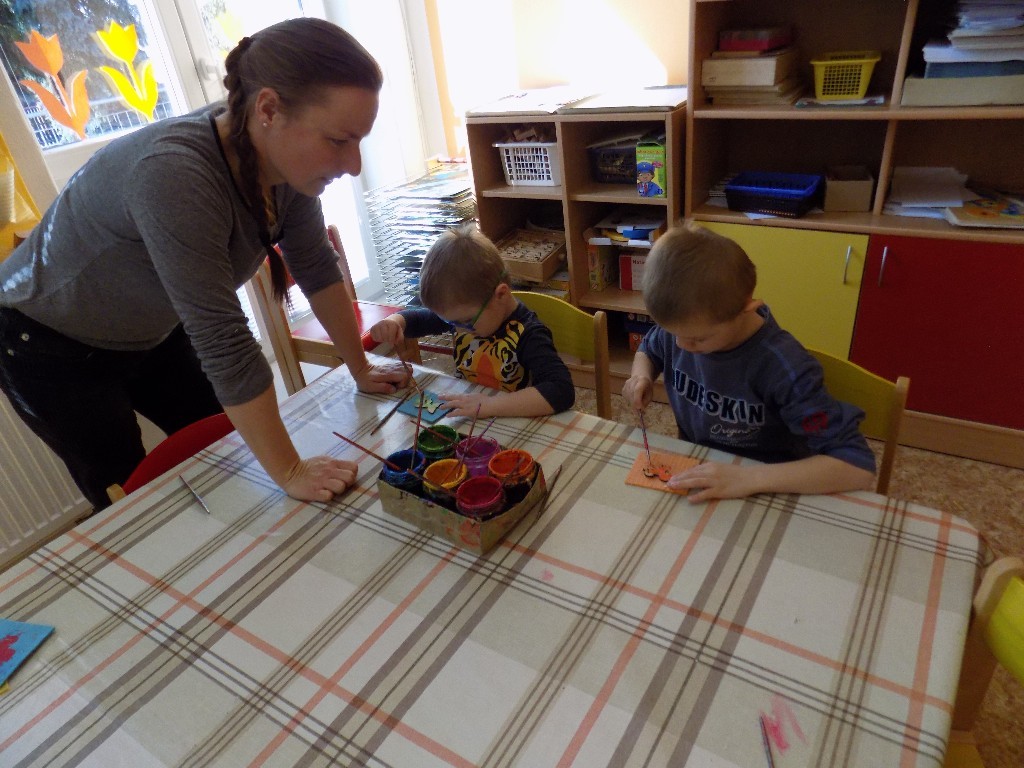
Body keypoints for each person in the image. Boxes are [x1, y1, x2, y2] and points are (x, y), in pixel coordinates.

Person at [0, 18, 407, 511]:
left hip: (150, 326)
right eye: (339, 140)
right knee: (132, 500)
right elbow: (224, 339)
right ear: (268, 109)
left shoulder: (282, 165)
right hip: (46, 341)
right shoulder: (174, 175)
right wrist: (291, 470)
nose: (353, 165)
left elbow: (317, 268)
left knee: (226, 452)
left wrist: (359, 366)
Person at [622, 224, 876, 502]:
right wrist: (641, 376)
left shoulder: (785, 368)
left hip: (766, 484)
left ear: (747, 309)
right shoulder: (684, 329)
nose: (681, 345)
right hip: (702, 468)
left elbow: (856, 465)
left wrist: (749, 479)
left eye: (698, 339)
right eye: (673, 333)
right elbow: (649, 349)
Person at [369, 225, 574, 418]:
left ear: (501, 295)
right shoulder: (463, 315)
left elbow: (561, 390)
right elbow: (418, 319)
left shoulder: (529, 334)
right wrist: (395, 322)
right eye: (450, 322)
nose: (459, 328)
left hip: (512, 421)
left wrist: (490, 405)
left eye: (466, 322)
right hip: (471, 416)